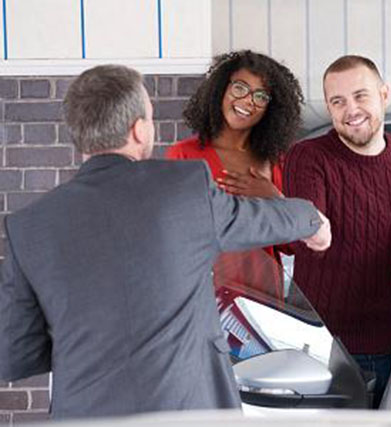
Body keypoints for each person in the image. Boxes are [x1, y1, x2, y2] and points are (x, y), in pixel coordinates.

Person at [0, 64, 331, 420]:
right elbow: (261, 219)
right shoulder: (184, 190)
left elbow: (12, 353)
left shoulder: (29, 227)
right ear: (139, 129)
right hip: (188, 414)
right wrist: (313, 221)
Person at [284, 55, 391, 408]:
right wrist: (312, 225)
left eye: (360, 96)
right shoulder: (308, 157)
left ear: (384, 95)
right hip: (323, 350)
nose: (350, 109)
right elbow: (306, 219)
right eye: (337, 101)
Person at [166, 50, 303, 302]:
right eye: (240, 88)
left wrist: (275, 198)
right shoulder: (184, 155)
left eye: (261, 96)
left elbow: (291, 245)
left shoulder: (275, 163)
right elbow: (173, 238)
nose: (248, 100)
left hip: (266, 303)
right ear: (221, 90)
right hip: (206, 300)